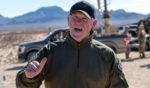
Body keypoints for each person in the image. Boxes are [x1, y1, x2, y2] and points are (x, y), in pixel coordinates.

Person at [16, 1, 129, 88]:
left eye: (84, 19)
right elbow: (23, 85)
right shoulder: (50, 51)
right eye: (75, 17)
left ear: (93, 24)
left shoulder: (107, 55)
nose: (78, 22)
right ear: (68, 20)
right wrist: (29, 77)